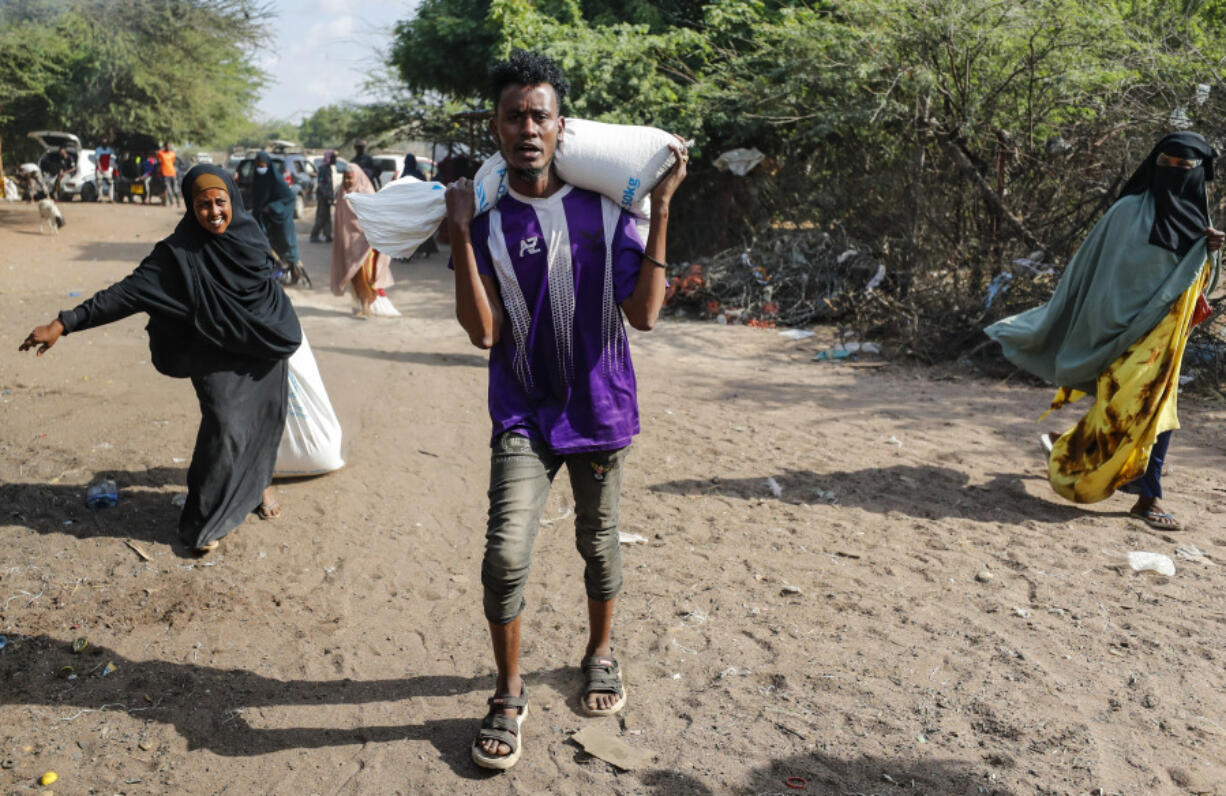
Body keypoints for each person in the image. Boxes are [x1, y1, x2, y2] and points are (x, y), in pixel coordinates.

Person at [444, 49, 687, 770]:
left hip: (599, 407)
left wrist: (663, 207)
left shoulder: (605, 212)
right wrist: (457, 235)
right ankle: (509, 691)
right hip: (522, 409)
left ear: (560, 128)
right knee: (504, 557)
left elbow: (642, 316)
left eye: (539, 115)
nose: (526, 127)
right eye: (513, 115)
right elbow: (484, 332)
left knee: (598, 545)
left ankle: (601, 653)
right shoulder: (485, 222)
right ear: (496, 128)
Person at [19, 166, 302, 553]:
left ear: (232, 200)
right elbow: (124, 294)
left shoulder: (250, 234)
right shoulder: (176, 255)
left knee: (266, 420)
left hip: (262, 349)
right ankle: (203, 522)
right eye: (203, 205)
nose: (214, 212)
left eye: (221, 202)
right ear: (190, 206)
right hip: (213, 349)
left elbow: (264, 284)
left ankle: (258, 485)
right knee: (225, 426)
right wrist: (63, 324)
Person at [986, 132, 1224, 531]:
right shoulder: (1126, 212)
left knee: (1153, 407)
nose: (1176, 175)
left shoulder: (1201, 224)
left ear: (1199, 175)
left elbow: (1193, 286)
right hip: (1116, 325)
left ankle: (1146, 495)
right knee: (1128, 405)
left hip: (1161, 338)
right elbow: (1096, 274)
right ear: (1154, 165)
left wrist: (1210, 252)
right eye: (1168, 166)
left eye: (1186, 170)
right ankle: (1091, 461)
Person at [331, 166, 399, 317]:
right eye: (345, 178)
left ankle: (367, 305)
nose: (347, 182)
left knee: (365, 275)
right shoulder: (343, 194)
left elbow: (376, 218)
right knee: (353, 276)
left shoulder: (367, 193)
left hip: (366, 245)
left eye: (350, 178)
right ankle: (362, 303)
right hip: (349, 244)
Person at [250, 151, 310, 288]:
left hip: (279, 219)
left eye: (263, 165)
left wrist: (271, 207)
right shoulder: (257, 179)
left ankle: (296, 274)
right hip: (263, 220)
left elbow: (289, 197)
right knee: (265, 245)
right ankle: (274, 275)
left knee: (286, 245)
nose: (261, 168)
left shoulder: (276, 180)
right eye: (258, 165)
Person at [310, 150, 336, 243]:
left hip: (327, 196)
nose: (335, 159)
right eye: (333, 157)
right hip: (323, 197)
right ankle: (314, 235)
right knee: (321, 216)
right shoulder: (323, 168)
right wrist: (327, 197)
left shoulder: (328, 168)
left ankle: (328, 235)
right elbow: (321, 184)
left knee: (327, 216)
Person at [156, 142, 181, 208]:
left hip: (173, 173)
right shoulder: (160, 153)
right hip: (165, 174)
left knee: (175, 189)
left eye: (170, 146)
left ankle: (178, 203)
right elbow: (158, 159)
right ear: (165, 146)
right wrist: (159, 166)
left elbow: (174, 161)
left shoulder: (172, 154)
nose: (168, 147)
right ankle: (172, 203)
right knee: (169, 190)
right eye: (167, 146)